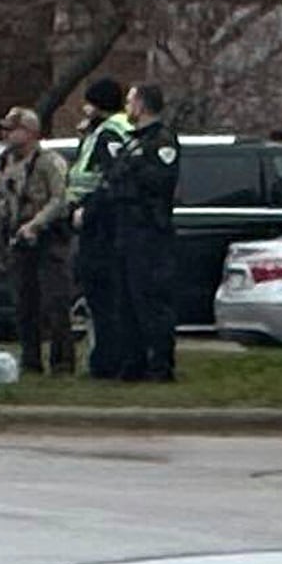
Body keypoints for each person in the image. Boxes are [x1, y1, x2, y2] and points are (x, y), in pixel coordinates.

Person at [104, 84, 180, 382]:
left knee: (151, 299)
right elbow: (115, 177)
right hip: (127, 230)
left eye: (130, 101)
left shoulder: (162, 140)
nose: (127, 106)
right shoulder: (133, 142)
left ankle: (160, 364)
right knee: (126, 300)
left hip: (150, 232)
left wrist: (132, 172)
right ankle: (132, 363)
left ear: (142, 104)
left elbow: (159, 182)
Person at [0, 107, 74, 376]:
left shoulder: (50, 162)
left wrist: (35, 224)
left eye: (12, 129)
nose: (6, 134)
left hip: (49, 238)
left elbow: (59, 199)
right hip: (18, 239)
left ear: (29, 132)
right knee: (24, 303)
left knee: (56, 301)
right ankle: (30, 360)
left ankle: (62, 361)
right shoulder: (6, 161)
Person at [68, 78, 132, 378]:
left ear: (99, 105)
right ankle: (109, 358)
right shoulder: (117, 129)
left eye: (89, 102)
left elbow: (110, 180)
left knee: (102, 299)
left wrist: (86, 211)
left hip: (100, 226)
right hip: (111, 225)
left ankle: (105, 362)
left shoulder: (108, 134)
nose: (84, 108)